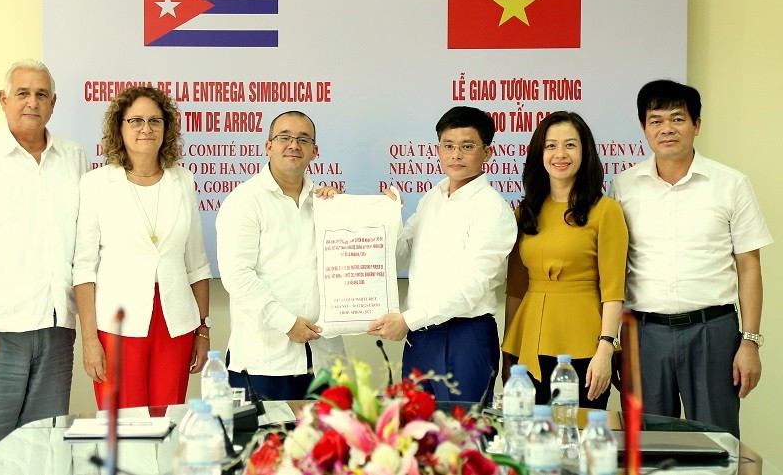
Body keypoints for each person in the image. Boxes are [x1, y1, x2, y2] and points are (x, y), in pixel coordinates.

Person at [0, 60, 89, 465]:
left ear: (54, 103)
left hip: (57, 329)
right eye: (22, 93)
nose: (32, 102)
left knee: (46, 449)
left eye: (41, 94)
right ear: (3, 100)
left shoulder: (74, 158)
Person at [610, 79, 772, 438]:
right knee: (647, 444)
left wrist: (750, 341)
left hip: (713, 333)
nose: (667, 129)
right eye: (656, 120)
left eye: (677, 119)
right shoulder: (623, 187)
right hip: (643, 335)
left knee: (716, 442)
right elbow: (615, 269)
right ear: (643, 128)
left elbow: (749, 266)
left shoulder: (732, 184)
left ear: (697, 125)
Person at [73, 86, 212, 409]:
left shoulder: (183, 181)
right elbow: (83, 268)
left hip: (176, 324)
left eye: (155, 121)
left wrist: (203, 331)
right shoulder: (96, 184)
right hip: (117, 325)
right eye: (135, 120)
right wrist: (90, 339)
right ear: (119, 128)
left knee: (168, 422)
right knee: (123, 430)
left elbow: (197, 264)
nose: (146, 129)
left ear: (167, 129)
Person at [368, 106, 516, 401]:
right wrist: (386, 220)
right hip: (420, 338)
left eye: (467, 146)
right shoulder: (432, 198)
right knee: (416, 437)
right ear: (438, 149)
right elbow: (400, 256)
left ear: (487, 153)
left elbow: (470, 289)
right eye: (448, 146)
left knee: (464, 439)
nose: (455, 155)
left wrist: (408, 321)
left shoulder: (491, 209)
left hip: (465, 337)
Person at [501, 111, 628, 407]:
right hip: (528, 344)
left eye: (570, 145)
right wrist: (507, 352)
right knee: (529, 442)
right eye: (550, 146)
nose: (560, 154)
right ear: (539, 154)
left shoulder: (606, 211)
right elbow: (516, 290)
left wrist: (606, 349)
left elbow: (614, 291)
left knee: (580, 440)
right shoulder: (526, 211)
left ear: (585, 152)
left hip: (587, 347)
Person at [217, 110, 343, 401]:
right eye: (284, 137)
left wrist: (376, 215)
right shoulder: (245, 201)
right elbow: (238, 277)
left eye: (303, 139)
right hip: (264, 362)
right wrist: (287, 323)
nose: (293, 145)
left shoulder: (326, 203)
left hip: (323, 359)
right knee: (265, 446)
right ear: (268, 146)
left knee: (325, 445)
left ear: (315, 150)